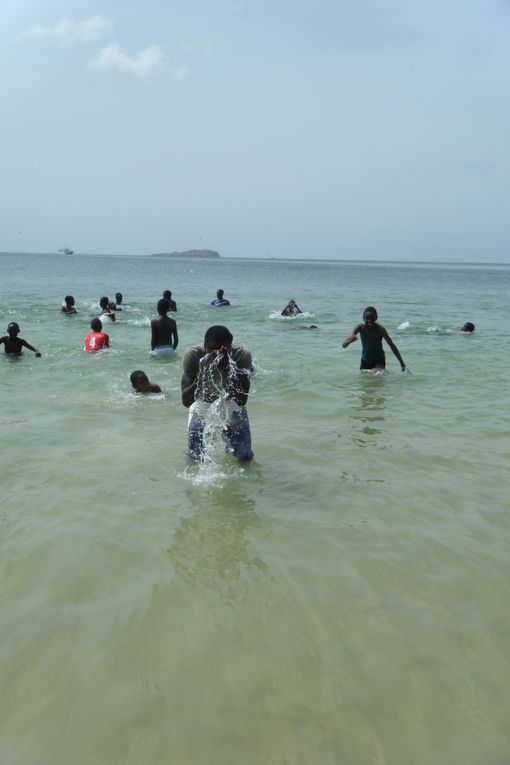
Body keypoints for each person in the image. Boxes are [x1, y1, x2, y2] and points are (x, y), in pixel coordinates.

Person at [181, 325, 253, 461]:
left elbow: (242, 400)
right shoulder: (193, 355)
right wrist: (203, 372)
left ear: (230, 347)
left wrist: (228, 372)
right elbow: (186, 401)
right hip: (203, 402)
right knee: (195, 454)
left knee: (244, 455)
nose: (217, 354)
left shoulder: (241, 355)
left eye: (223, 349)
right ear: (204, 345)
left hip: (230, 402)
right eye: (212, 349)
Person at [342, 306, 406, 372]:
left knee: (377, 377)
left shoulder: (381, 330)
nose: (369, 321)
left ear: (376, 318)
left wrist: (402, 363)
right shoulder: (359, 327)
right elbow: (343, 346)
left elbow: (392, 345)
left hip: (379, 360)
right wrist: (349, 341)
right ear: (363, 318)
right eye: (367, 318)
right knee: (365, 381)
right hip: (365, 360)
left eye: (372, 318)